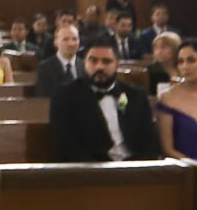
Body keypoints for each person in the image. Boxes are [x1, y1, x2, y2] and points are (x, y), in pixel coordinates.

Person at [49, 30, 160, 163]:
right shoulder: (65, 96)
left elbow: (149, 143)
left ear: (117, 64)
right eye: (93, 61)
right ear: (84, 62)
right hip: (89, 173)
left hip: (134, 171)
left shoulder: (136, 96)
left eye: (106, 61)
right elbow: (66, 147)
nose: (99, 67)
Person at [32, 22, 85, 98]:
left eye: (75, 39)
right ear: (56, 42)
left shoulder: (84, 65)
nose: (71, 43)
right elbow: (42, 99)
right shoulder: (45, 68)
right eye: (65, 39)